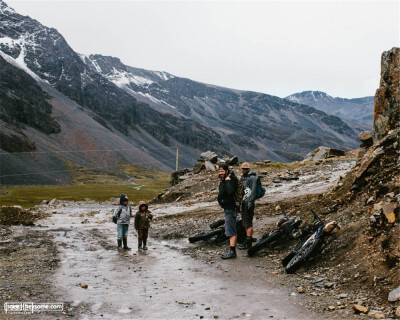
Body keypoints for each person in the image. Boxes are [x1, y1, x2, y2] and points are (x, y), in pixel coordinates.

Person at [217, 164, 242, 259]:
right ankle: (232, 251)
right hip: (228, 208)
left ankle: (232, 252)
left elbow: (231, 192)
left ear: (227, 171)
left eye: (222, 171)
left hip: (230, 208)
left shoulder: (230, 179)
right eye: (219, 171)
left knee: (231, 229)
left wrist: (226, 182)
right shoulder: (225, 179)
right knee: (230, 228)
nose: (220, 173)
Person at [239, 162, 258, 250]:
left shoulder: (252, 178)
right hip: (243, 202)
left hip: (248, 203)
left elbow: (253, 191)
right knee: (245, 222)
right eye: (243, 169)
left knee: (248, 223)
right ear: (241, 169)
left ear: (249, 169)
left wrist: (250, 202)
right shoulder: (243, 178)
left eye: (246, 169)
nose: (245, 170)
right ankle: (248, 239)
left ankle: (249, 243)